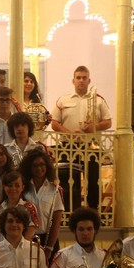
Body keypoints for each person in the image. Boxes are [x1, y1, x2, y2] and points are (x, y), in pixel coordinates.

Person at [50, 65, 111, 210]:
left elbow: (108, 122)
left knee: (94, 180)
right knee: (69, 180)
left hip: (91, 145)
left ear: (89, 80)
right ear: (73, 81)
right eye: (78, 78)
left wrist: (93, 127)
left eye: (84, 78)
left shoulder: (99, 100)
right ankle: (70, 210)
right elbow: (53, 123)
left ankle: (93, 210)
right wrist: (68, 133)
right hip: (68, 146)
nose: (81, 81)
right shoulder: (63, 100)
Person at [19, 150, 63, 261]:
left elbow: (57, 221)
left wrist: (49, 247)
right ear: (29, 167)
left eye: (42, 164)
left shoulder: (55, 189)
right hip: (27, 237)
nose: (39, 168)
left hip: (48, 239)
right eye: (35, 165)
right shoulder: (23, 188)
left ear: (47, 166)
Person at [0, 171, 38, 246]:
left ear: (22, 187)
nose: (13, 188)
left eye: (17, 185)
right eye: (9, 185)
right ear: (4, 187)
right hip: (0, 251)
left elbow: (29, 234)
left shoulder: (28, 208)